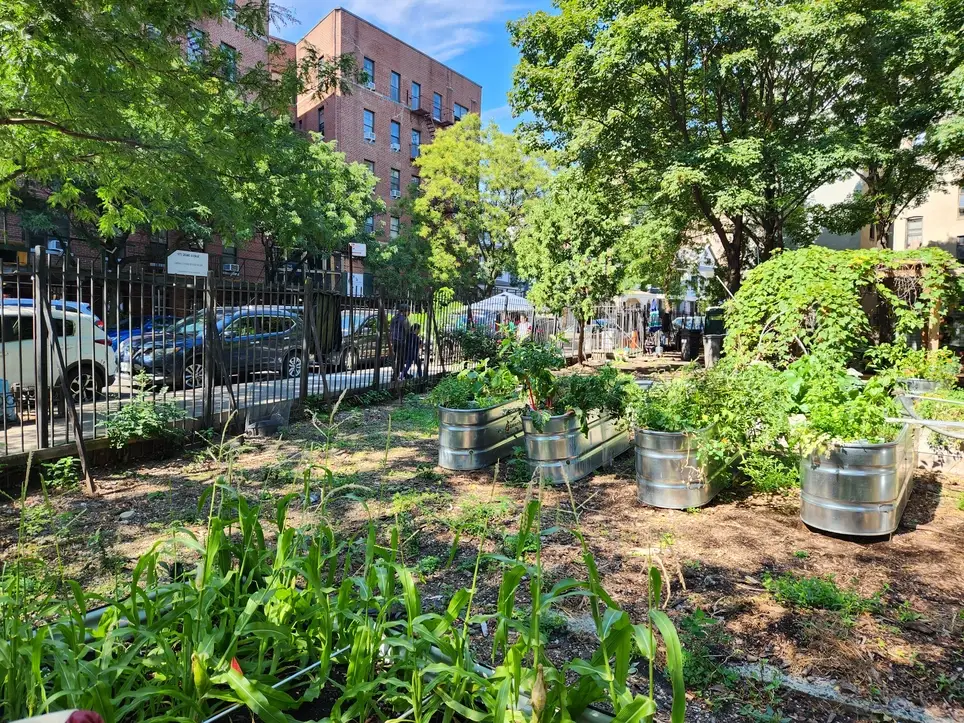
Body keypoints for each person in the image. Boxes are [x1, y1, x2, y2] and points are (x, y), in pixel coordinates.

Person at [389, 304, 411, 381]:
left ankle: (403, 373)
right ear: (405, 311)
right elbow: (408, 331)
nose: (409, 313)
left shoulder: (394, 318)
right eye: (409, 311)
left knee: (397, 358)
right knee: (400, 359)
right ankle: (395, 375)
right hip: (401, 341)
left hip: (394, 341)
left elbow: (391, 330)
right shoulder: (404, 320)